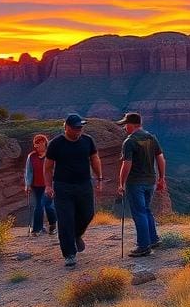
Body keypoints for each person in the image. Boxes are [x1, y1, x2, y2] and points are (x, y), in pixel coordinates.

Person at [45, 113, 103, 267]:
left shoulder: (87, 140)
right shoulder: (56, 144)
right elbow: (48, 167)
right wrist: (48, 185)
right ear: (67, 127)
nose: (79, 130)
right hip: (63, 187)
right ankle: (69, 254)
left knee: (88, 214)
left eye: (81, 127)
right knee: (65, 220)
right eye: (76, 127)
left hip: (84, 185)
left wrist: (99, 178)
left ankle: (76, 235)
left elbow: (95, 159)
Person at [116, 112, 166, 257]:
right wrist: (162, 178)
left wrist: (121, 183)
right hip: (151, 181)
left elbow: (126, 164)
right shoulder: (151, 137)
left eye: (125, 125)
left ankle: (143, 246)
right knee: (146, 210)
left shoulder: (130, 141)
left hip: (135, 182)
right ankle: (153, 239)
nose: (124, 128)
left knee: (139, 213)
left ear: (131, 124)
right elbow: (161, 158)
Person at [24, 134, 57, 235]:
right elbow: (28, 171)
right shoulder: (31, 156)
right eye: (36, 143)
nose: (38, 145)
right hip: (35, 186)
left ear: (45, 143)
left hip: (48, 186)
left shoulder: (51, 156)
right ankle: (40, 228)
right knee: (41, 205)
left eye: (41, 143)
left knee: (46, 206)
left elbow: (55, 170)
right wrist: (28, 184)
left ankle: (49, 225)